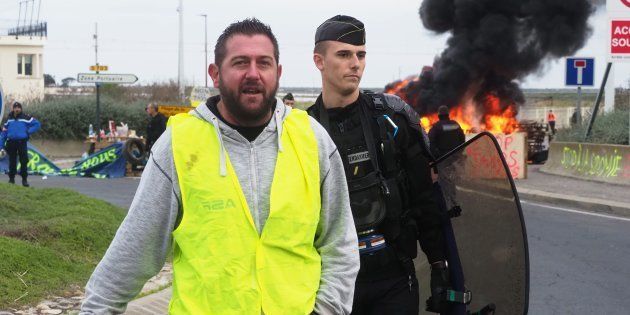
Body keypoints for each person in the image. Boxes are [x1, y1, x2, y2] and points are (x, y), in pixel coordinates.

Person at [80, 18, 359, 315]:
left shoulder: (311, 138)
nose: (253, 74)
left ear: (277, 73)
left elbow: (340, 246)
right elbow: (132, 253)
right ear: (215, 73)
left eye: (263, 63)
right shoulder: (178, 145)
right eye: (240, 63)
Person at [308, 15, 449, 315]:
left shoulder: (392, 120)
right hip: (330, 284)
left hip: (393, 278)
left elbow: (424, 198)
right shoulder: (303, 132)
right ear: (319, 61)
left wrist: (440, 265)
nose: (355, 63)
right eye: (344, 54)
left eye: (360, 54)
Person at [0, 101, 41, 187]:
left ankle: (24, 180)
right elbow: (3, 133)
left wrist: (28, 131)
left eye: (18, 108)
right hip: (11, 143)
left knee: (24, 161)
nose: (17, 109)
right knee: (12, 162)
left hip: (22, 143)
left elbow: (37, 124)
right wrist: (1, 146)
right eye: (15, 108)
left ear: (21, 109)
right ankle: (11, 180)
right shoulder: (9, 119)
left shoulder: (26, 117)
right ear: (13, 109)